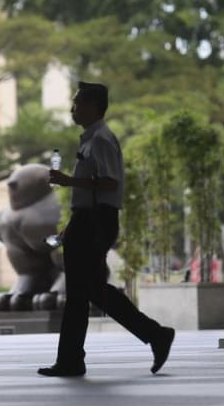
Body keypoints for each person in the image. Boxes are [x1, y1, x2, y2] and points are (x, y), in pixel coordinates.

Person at [40, 81, 175, 377]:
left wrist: (69, 181)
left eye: (77, 103)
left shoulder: (101, 140)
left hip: (97, 220)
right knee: (84, 291)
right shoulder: (91, 139)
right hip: (87, 219)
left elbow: (110, 183)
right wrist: (71, 226)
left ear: (91, 106)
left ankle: (154, 335)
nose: (73, 108)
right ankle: (72, 359)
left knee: (87, 290)